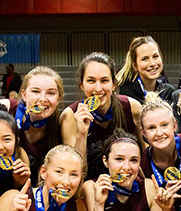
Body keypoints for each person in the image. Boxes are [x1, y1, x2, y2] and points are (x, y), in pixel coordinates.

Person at [0, 67, 64, 178]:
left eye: (51, 93)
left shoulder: (61, 124)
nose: (43, 99)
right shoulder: (4, 107)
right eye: (35, 91)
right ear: (23, 94)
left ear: (58, 99)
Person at [61, 52, 143, 181]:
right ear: (81, 85)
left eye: (104, 80)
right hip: (89, 188)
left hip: (127, 184)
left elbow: (145, 153)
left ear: (114, 83)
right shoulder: (70, 116)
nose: (98, 88)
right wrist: (81, 134)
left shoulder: (132, 108)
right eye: (91, 81)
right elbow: (75, 173)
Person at [87, 131, 168, 211]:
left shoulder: (147, 186)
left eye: (134, 160)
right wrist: (99, 205)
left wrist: (166, 208)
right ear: (105, 161)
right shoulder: (92, 187)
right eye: (119, 159)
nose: (126, 167)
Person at [138, 99, 181, 194]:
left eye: (164, 125)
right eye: (151, 128)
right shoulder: (142, 163)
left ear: (174, 126)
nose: (159, 133)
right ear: (143, 133)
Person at [117, 36, 176, 104]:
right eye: (145, 59)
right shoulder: (125, 94)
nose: (152, 63)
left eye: (155, 56)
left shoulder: (169, 92)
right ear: (135, 66)